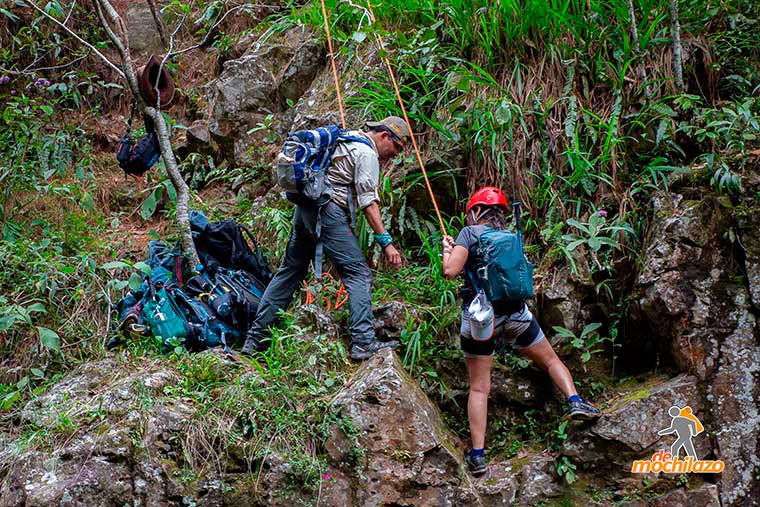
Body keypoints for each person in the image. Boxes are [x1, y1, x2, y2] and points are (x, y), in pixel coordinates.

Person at [441, 186, 601, 476]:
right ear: (501, 213)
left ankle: (477, 456)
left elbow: (450, 272)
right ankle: (576, 401)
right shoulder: (512, 237)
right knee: (551, 360)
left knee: (479, 387)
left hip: (481, 320)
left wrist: (446, 252)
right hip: (516, 315)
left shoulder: (469, 234)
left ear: (475, 211)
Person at [240, 116, 408, 360]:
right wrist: (386, 243)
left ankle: (254, 341)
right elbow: (368, 204)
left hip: (305, 209)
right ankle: (363, 342)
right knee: (358, 274)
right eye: (397, 148)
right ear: (384, 136)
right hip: (328, 212)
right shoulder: (366, 153)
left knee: (290, 271)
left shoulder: (345, 139)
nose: (395, 155)